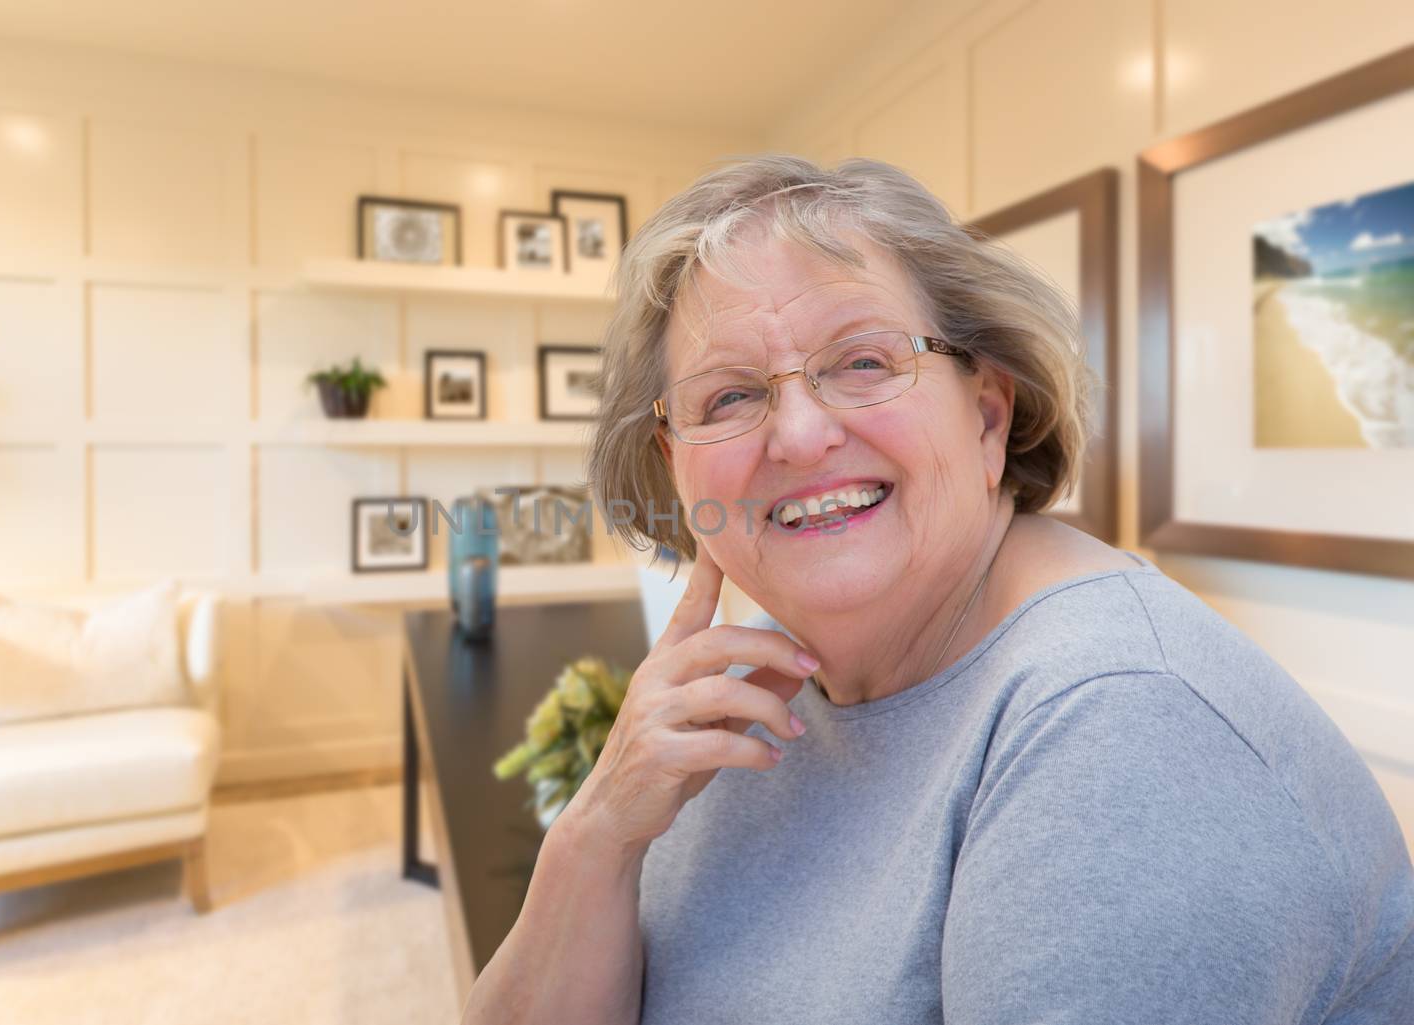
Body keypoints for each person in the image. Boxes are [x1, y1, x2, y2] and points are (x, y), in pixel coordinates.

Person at [459, 156, 1414, 1024]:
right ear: (677, 465)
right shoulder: (765, 687)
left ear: (988, 414)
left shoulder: (1118, 723)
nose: (796, 435)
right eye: (730, 397)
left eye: (864, 362)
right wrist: (596, 834)